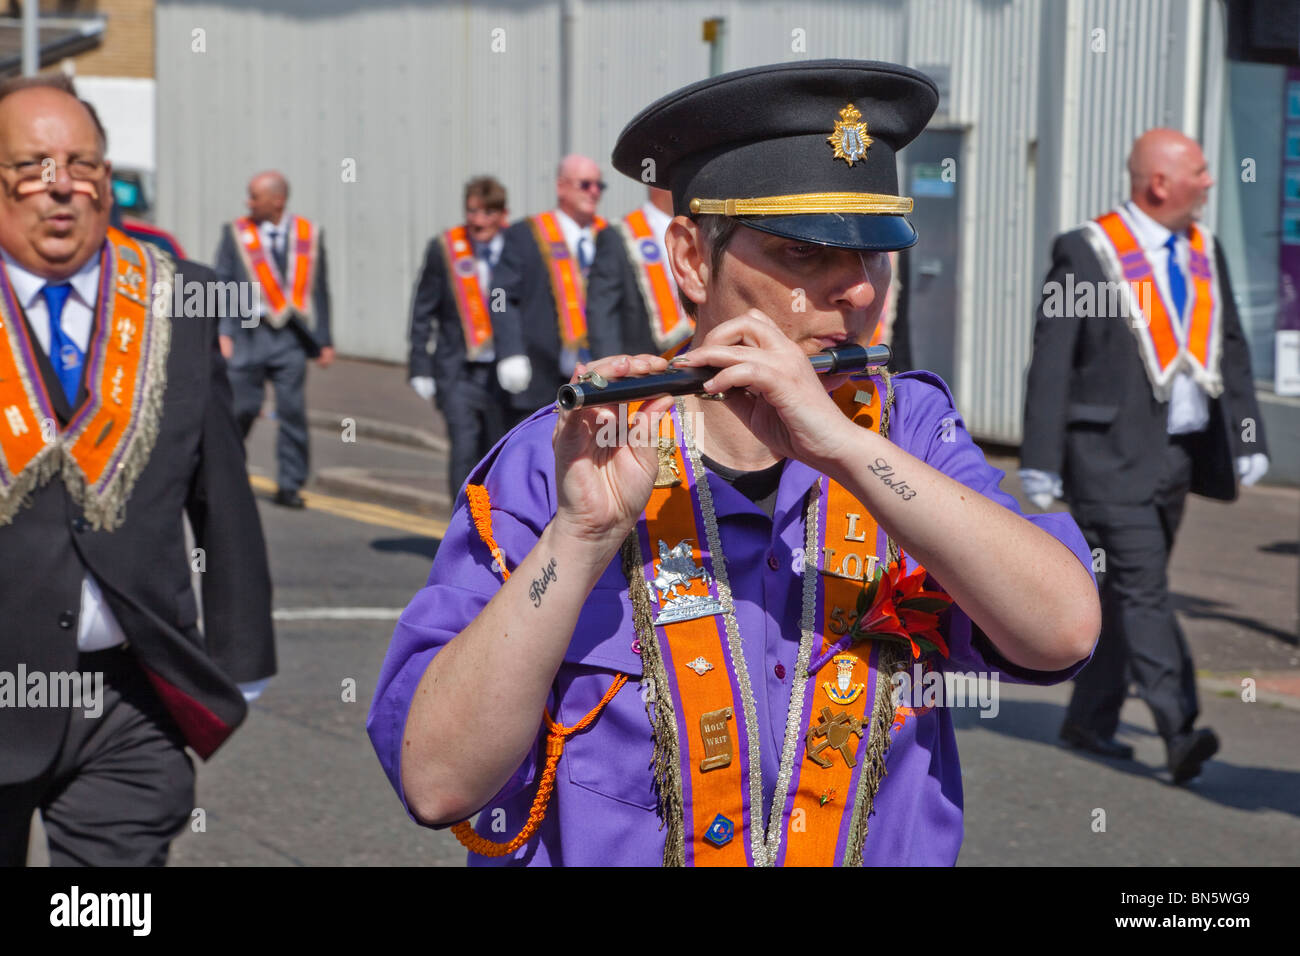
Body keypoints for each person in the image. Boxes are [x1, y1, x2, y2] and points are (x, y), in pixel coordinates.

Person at [369, 60, 1101, 866]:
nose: (858, 292)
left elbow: (1061, 631)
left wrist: (848, 450)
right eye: (803, 253)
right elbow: (438, 781)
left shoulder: (907, 434)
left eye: (876, 255)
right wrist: (579, 540)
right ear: (689, 256)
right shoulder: (569, 453)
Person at [0, 75, 275, 865]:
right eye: (32, 166)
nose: (61, 189)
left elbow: (219, 490)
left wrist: (240, 654)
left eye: (82, 165)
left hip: (130, 702)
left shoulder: (177, 298)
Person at [1021, 128, 1269, 784]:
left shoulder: (1202, 248)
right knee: (1146, 588)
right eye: (1199, 170)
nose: (1211, 182)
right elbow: (1052, 359)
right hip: (1102, 455)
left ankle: (1089, 721)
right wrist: (1040, 459)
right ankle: (1180, 728)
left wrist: (1246, 439)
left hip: (1176, 457)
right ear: (1159, 182)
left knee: (1125, 592)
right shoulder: (1087, 249)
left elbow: (1233, 349)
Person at [214, 170, 334, 509]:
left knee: (292, 411)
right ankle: (225, 474)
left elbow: (320, 289)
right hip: (247, 333)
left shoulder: (307, 234)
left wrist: (324, 340)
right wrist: (222, 331)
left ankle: (290, 484)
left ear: (277, 201)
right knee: (242, 408)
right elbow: (221, 283)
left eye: (254, 196)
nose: (248, 202)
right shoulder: (235, 233)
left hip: (290, 337)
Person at [408, 176, 516, 498]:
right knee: (464, 451)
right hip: (458, 371)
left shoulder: (517, 248)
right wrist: (419, 365)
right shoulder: (445, 249)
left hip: (502, 374)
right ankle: (460, 534)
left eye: (486, 213)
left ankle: (493, 532)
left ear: (502, 215)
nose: (477, 220)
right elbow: (422, 309)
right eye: (471, 212)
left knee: (500, 454)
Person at [490, 154, 606, 425]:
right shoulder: (526, 234)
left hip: (597, 376)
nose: (594, 192)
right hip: (540, 373)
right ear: (561, 186)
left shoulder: (607, 235)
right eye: (585, 184)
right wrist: (510, 351)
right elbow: (500, 296)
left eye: (600, 186)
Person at [586, 186, 694, 360]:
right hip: (643, 363)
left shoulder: (698, 231)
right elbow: (602, 312)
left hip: (694, 355)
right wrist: (612, 373)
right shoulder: (619, 234)